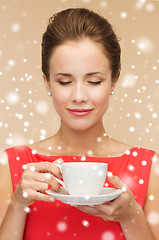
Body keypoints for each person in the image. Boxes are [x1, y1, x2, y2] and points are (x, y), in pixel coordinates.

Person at [0, 7, 158, 240]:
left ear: (114, 80)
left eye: (94, 81)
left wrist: (131, 216)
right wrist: (17, 203)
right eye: (65, 82)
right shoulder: (14, 165)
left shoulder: (148, 167)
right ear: (48, 83)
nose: (79, 96)